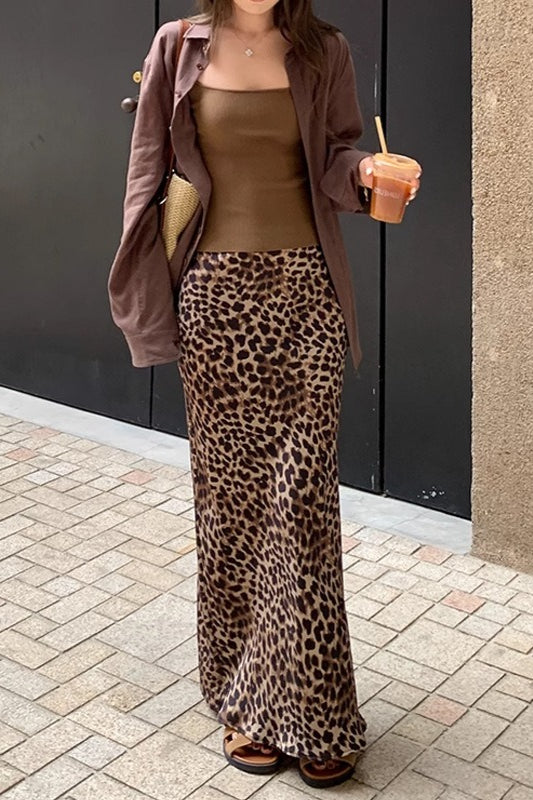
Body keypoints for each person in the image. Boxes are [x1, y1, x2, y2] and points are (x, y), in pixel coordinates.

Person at [109, 0, 420, 790]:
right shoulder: (177, 45)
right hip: (215, 301)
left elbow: (336, 157)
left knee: (301, 504)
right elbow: (148, 170)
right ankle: (242, 694)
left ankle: (316, 709)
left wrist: (365, 174)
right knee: (231, 504)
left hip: (306, 297)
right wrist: (143, 288)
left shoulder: (323, 49)